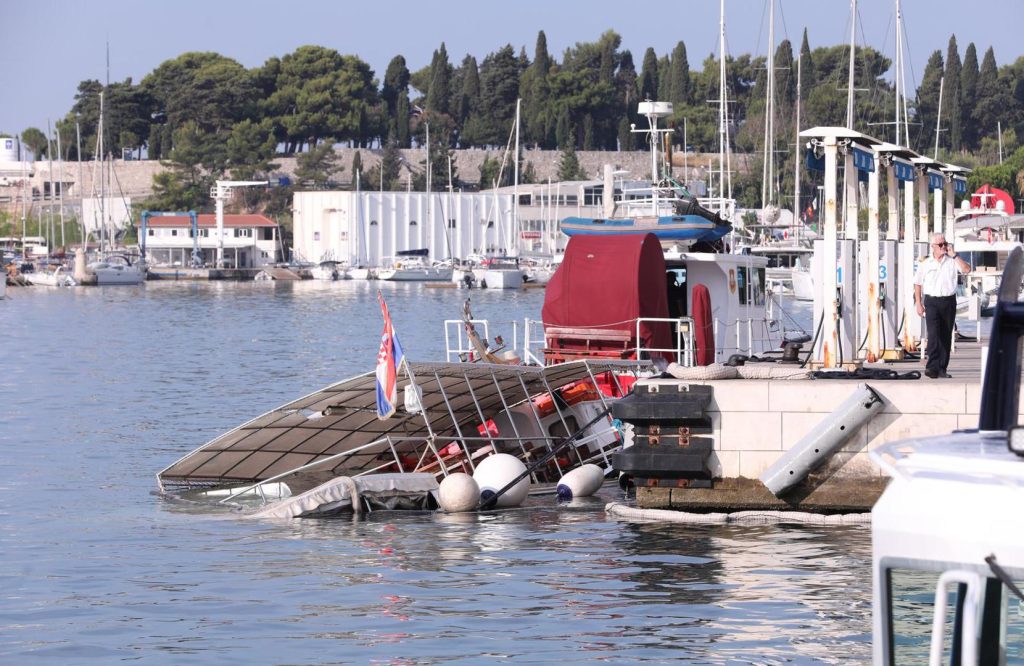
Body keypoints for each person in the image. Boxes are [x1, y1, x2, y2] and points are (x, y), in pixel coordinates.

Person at [914, 233, 970, 378]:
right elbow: (918, 283)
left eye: (945, 243)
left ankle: (942, 368)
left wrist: (955, 255)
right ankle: (932, 367)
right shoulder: (925, 263)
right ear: (933, 247)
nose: (944, 247)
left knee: (946, 335)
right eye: (940, 245)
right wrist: (918, 303)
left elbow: (967, 270)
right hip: (932, 301)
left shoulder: (952, 261)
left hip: (948, 301)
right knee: (933, 334)